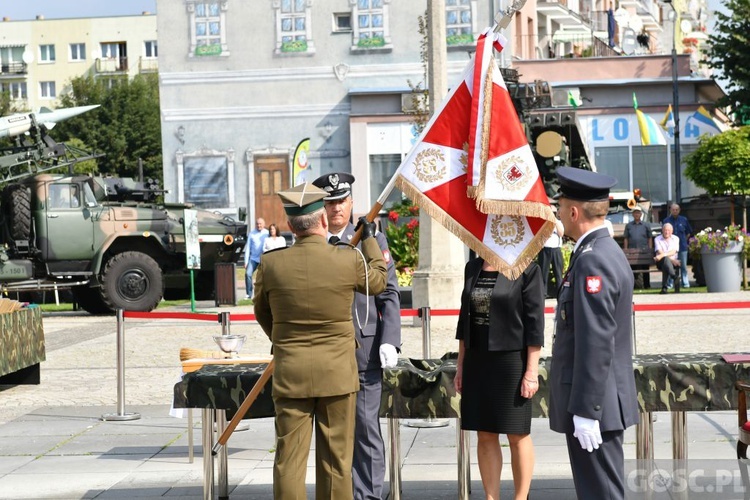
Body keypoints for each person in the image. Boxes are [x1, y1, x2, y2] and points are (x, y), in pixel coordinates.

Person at [253, 183, 387, 500]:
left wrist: (284, 340)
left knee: (288, 462)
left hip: (291, 373)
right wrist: (368, 239)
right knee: (337, 463)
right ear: (323, 221)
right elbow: (379, 280)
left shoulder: (271, 264)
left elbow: (262, 313)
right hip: (338, 374)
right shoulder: (347, 258)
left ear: (290, 225)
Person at [548, 166, 639, 500]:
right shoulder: (600, 251)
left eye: (559, 208)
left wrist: (587, 411)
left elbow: (597, 341)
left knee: (601, 493)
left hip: (595, 405)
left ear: (573, 212)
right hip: (600, 401)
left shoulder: (592, 260)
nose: (557, 215)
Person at [312, 172, 401, 500]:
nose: (336, 209)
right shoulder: (314, 241)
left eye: (341, 201)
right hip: (324, 353)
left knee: (365, 432)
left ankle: (369, 496)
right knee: (332, 434)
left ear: (351, 203)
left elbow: (389, 292)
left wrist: (390, 338)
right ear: (322, 206)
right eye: (330, 202)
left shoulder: (370, 239)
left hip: (364, 350)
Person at [453, 257, 544, 500]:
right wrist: (461, 366)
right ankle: (491, 497)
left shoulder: (527, 268)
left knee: (517, 433)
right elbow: (465, 321)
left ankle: (521, 497)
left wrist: (531, 372)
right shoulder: (472, 267)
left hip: (512, 361)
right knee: (485, 433)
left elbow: (535, 324)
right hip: (477, 360)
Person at [662, 203, 693, 288]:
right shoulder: (666, 221)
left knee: (683, 266)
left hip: (682, 247)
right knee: (671, 266)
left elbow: (688, 233)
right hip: (670, 248)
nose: (675, 211)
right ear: (670, 210)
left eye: (676, 210)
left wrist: (683, 241)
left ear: (679, 210)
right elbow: (664, 234)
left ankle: (685, 283)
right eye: (673, 210)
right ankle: (670, 283)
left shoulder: (684, 220)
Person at [623, 205, 653, 289]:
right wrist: (626, 250)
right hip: (632, 251)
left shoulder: (646, 225)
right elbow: (626, 238)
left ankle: (647, 286)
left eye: (638, 213)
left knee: (645, 269)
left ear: (641, 214)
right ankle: (633, 286)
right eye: (635, 213)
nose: (636, 214)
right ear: (632, 214)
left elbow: (650, 237)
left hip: (643, 251)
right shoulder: (628, 226)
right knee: (632, 270)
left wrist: (649, 249)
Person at [538, 215, 565, 298]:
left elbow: (561, 233)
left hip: (556, 249)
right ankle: (543, 294)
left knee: (558, 273)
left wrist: (555, 221)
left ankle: (560, 293)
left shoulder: (559, 222)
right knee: (543, 273)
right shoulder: (543, 222)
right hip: (545, 249)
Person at [654, 222, 681, 294]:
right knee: (665, 261)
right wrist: (671, 260)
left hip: (670, 263)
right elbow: (659, 251)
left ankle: (664, 288)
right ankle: (674, 276)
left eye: (668, 230)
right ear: (662, 230)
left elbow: (674, 251)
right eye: (665, 230)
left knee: (665, 265)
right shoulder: (657, 239)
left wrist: (662, 256)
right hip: (661, 262)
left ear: (672, 231)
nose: (667, 232)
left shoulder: (676, 238)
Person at [244, 217, 268, 299]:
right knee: (248, 274)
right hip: (253, 259)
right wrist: (246, 261)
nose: (259, 225)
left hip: (263, 259)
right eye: (257, 224)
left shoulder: (267, 233)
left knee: (264, 277)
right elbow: (248, 248)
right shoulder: (252, 234)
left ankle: (264, 295)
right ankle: (249, 294)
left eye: (260, 224)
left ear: (264, 224)